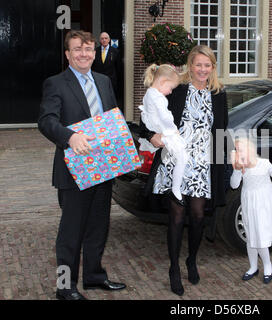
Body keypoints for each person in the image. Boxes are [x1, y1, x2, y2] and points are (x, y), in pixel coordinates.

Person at [38, 30, 126, 300]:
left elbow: (112, 118)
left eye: (88, 49)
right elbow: (46, 121)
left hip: (104, 167)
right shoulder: (56, 83)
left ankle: (94, 277)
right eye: (78, 49)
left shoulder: (103, 81)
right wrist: (69, 136)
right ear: (68, 54)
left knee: (98, 225)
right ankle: (65, 287)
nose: (84, 54)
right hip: (73, 169)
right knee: (71, 231)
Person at [139, 45, 228, 296]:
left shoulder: (219, 93)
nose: (202, 69)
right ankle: (174, 268)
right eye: (198, 64)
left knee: (198, 214)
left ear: (212, 67)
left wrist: (227, 163)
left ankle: (191, 259)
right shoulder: (176, 89)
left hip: (203, 162)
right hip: (176, 158)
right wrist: (150, 135)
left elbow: (222, 130)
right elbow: (150, 112)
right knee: (177, 215)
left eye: (207, 65)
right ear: (190, 65)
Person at [230, 138, 272, 284]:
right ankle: (253, 266)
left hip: (263, 204)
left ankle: (268, 265)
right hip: (249, 204)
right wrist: (237, 171)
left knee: (260, 236)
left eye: (240, 149)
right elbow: (234, 185)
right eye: (236, 150)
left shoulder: (264, 163)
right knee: (250, 235)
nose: (237, 152)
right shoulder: (241, 167)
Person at [138, 64, 188, 205]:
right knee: (182, 157)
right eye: (170, 88)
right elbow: (165, 117)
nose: (171, 92)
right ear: (163, 82)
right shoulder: (158, 98)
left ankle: (175, 189)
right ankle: (176, 190)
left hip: (160, 131)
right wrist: (173, 129)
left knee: (180, 157)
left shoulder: (149, 94)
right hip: (165, 132)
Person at [92, 32, 121, 97]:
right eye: (102, 38)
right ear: (100, 40)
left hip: (111, 81)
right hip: (98, 80)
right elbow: (92, 66)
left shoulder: (115, 51)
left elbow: (118, 68)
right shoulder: (95, 51)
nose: (104, 40)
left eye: (106, 38)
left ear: (109, 40)